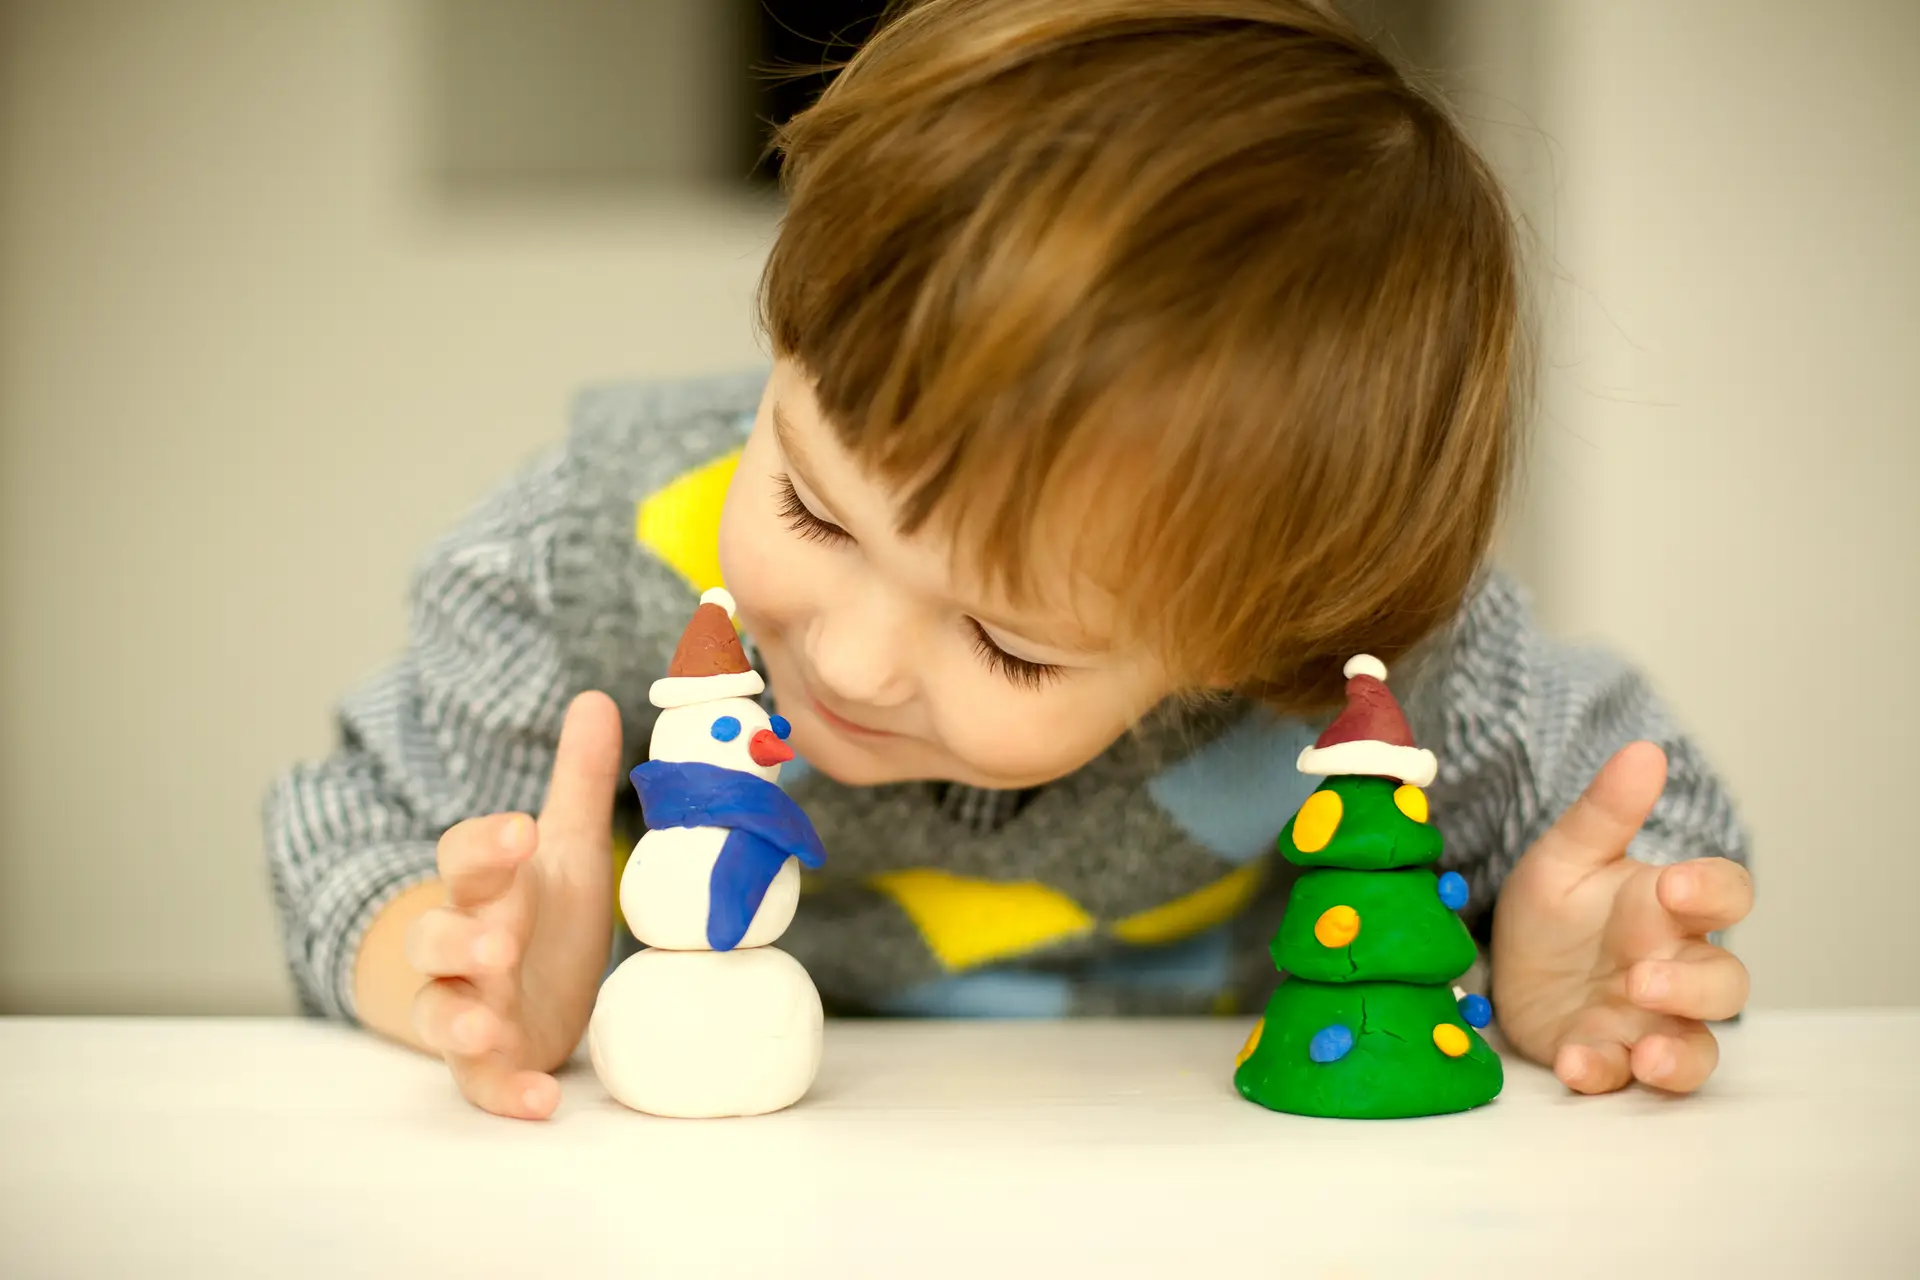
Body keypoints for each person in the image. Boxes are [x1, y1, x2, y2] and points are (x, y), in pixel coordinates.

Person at [264, 0, 1753, 1121]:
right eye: (815, 511)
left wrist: (1556, 960)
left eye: (1011, 641)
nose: (849, 661)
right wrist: (450, 967)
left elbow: (1632, 811)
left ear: (1265, 641)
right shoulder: (581, 562)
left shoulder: (1364, 676)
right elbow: (346, 829)